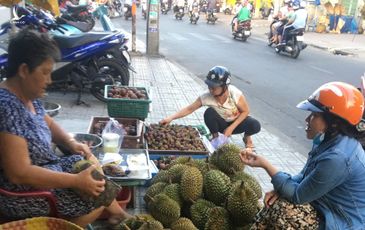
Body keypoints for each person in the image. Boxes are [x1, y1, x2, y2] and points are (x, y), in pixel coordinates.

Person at [0, 29, 131, 228]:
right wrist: (75, 181)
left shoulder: (28, 96)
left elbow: (48, 123)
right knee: (95, 196)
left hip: (48, 168)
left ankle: (117, 214)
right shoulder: (7, 107)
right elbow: (20, 173)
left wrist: (70, 142)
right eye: (44, 73)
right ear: (24, 70)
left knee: (88, 167)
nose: (49, 80)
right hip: (24, 193)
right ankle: (65, 225)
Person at [240, 81, 365, 229]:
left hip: (342, 221)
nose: (307, 120)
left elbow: (298, 196)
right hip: (325, 205)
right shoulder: (327, 140)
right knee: (275, 200)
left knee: (285, 210)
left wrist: (265, 165)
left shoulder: (338, 157)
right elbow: (304, 177)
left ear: (334, 123)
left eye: (314, 115)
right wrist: (280, 189)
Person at [160, 66, 261, 149]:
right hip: (221, 124)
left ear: (224, 86)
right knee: (209, 113)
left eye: (214, 87)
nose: (210, 89)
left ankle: (247, 136)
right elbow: (189, 109)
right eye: (209, 86)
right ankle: (215, 137)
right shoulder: (207, 96)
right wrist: (170, 118)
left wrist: (231, 128)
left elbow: (246, 111)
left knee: (255, 125)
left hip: (236, 123)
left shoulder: (235, 93)